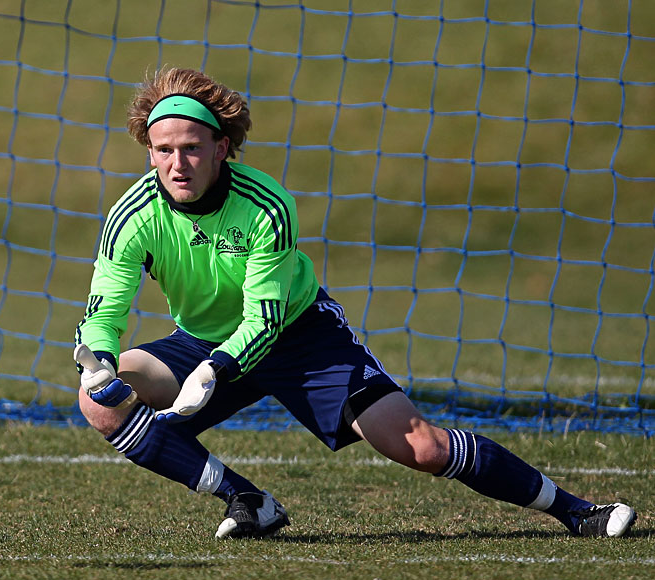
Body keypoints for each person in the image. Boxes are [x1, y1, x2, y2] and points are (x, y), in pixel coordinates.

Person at [73, 66, 636, 539]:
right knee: (100, 403)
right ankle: (248, 501)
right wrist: (99, 364)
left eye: (192, 148)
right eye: (164, 150)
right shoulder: (133, 217)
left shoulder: (266, 205)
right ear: (150, 154)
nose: (178, 164)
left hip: (298, 336)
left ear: (221, 148)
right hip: (203, 341)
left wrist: (215, 370)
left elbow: (265, 318)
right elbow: (103, 313)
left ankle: (577, 511)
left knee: (421, 447)